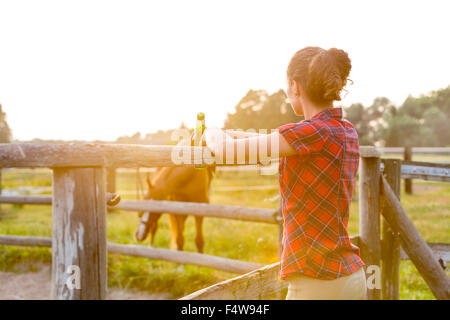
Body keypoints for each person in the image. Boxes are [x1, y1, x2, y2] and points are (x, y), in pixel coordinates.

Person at [202, 46, 367, 300]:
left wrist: (210, 132)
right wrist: (230, 136)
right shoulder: (344, 130)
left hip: (316, 280)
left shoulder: (311, 133)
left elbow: (225, 151)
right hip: (350, 277)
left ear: (295, 86)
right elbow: (265, 142)